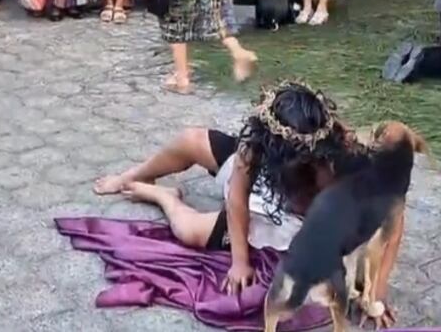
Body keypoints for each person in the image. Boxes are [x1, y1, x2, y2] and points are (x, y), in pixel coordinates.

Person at [92, 81, 403, 324]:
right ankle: (133, 176)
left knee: (190, 231)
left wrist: (377, 290)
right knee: (191, 140)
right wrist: (239, 262)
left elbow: (393, 219)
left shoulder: (350, 159)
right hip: (264, 192)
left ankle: (163, 197)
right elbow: (238, 196)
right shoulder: (262, 142)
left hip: (293, 226)